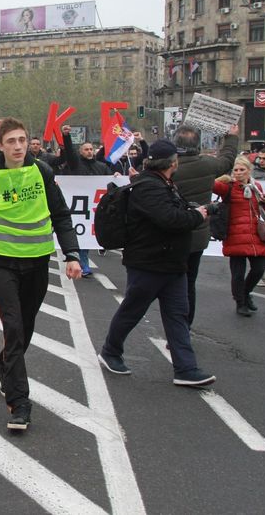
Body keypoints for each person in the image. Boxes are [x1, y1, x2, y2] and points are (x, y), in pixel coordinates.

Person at [0, 117, 82, 431]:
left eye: (22, 140)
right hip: (1, 265)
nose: (18, 146)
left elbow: (61, 215)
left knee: (25, 327)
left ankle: (5, 367)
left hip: (37, 263)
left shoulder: (42, 171)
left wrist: (72, 254)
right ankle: (20, 403)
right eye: (11, 141)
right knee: (13, 328)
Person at [97, 139, 216, 388]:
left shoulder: (162, 183)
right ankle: (110, 351)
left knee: (177, 316)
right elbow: (169, 219)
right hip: (149, 263)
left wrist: (195, 211)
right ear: (173, 162)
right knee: (132, 310)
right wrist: (198, 215)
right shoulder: (148, 187)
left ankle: (186, 368)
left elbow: (174, 212)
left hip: (170, 263)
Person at [173, 124, 238, 325]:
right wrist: (231, 138)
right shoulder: (208, 165)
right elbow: (227, 160)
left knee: (172, 283)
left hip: (173, 233)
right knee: (189, 282)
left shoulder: (169, 168)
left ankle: (175, 325)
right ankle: (186, 325)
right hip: (198, 234)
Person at [212, 156, 265, 317]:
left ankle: (245, 294)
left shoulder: (256, 187)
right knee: (237, 274)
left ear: (249, 171)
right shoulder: (228, 188)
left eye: (242, 170)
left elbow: (262, 212)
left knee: (259, 269)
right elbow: (210, 184)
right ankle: (240, 302)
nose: (238, 173)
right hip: (235, 235)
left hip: (255, 235)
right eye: (236, 170)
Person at [62, 128, 111, 279]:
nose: (90, 152)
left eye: (91, 149)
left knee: (87, 238)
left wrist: (115, 176)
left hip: (93, 209)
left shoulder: (102, 167)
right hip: (76, 209)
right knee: (78, 237)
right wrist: (66, 136)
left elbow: (109, 184)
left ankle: (83, 263)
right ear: (81, 152)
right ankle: (81, 263)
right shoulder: (75, 165)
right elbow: (69, 152)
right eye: (86, 149)